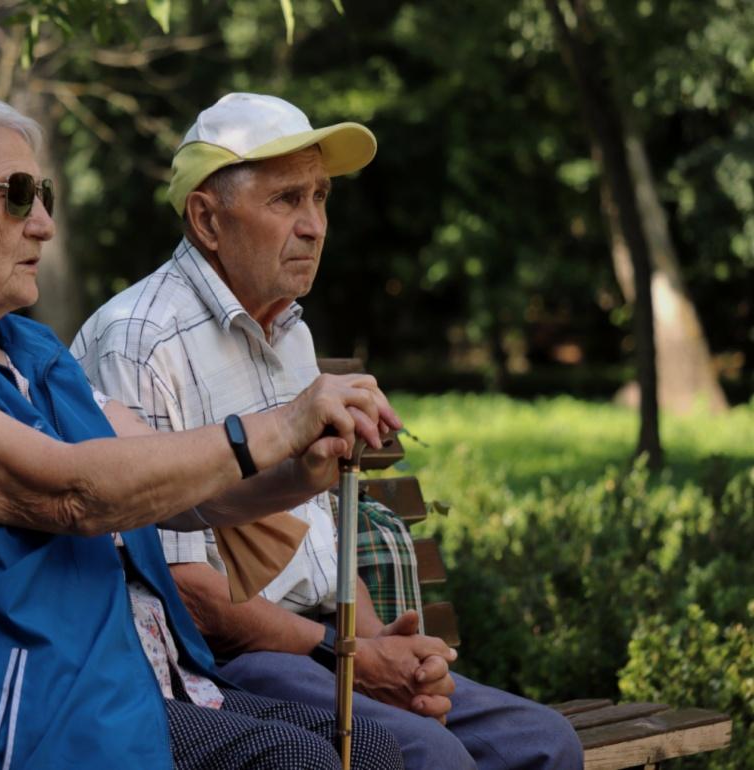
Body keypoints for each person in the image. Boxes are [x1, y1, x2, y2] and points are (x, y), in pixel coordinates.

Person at [0, 94, 407, 770]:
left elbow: (175, 490)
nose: (44, 225)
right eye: (17, 196)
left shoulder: (26, 353)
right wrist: (283, 423)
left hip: (118, 695)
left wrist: (296, 474)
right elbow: (71, 494)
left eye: (43, 195)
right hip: (11, 730)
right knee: (300, 763)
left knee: (367, 748)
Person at [72, 92, 584, 770]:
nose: (314, 225)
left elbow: (322, 537)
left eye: (320, 198)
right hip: (239, 663)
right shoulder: (139, 339)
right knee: (435, 761)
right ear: (207, 218)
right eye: (287, 200)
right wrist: (351, 656)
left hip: (327, 644)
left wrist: (382, 647)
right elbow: (186, 591)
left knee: (546, 745)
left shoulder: (290, 330)